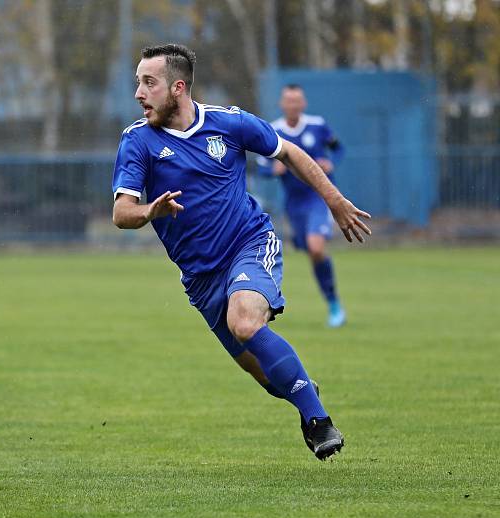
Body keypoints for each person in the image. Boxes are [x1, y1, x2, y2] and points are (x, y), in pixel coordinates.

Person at [112, 44, 371, 460]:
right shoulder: (137, 142)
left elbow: (289, 152)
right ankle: (302, 388)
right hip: (200, 278)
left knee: (245, 322)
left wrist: (334, 200)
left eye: (148, 83)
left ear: (177, 88)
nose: (138, 93)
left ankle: (318, 420)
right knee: (268, 378)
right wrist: (149, 211)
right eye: (138, 83)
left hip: (249, 243)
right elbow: (121, 212)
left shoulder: (229, 124)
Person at [257, 84, 347, 327]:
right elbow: (261, 166)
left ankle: (334, 303)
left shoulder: (317, 125)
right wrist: (272, 170)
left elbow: (339, 149)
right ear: (282, 104)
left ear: (303, 104)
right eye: (289, 100)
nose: (293, 105)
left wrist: (330, 162)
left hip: (318, 198)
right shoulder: (273, 130)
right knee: (310, 251)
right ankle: (329, 298)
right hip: (294, 203)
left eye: (297, 100)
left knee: (316, 247)